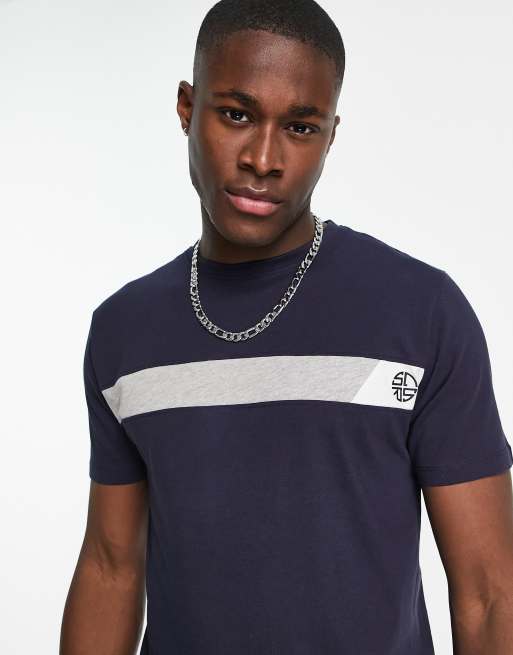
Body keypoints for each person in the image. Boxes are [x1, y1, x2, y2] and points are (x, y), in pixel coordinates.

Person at [60, 1, 513, 653]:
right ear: (187, 107)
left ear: (329, 136)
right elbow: (111, 567)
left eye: (299, 127)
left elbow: (490, 592)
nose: (263, 158)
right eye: (236, 114)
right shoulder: (124, 329)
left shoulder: (421, 312)